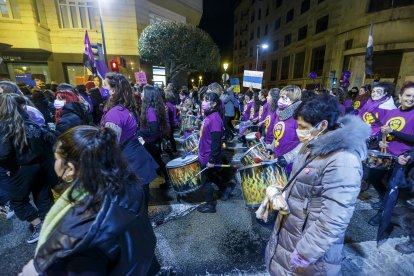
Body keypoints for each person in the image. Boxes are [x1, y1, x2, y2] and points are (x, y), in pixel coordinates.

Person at [19, 126, 157, 275]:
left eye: (56, 158)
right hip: (143, 266)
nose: (54, 162)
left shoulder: (80, 227)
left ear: (70, 169)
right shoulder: (126, 182)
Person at [265, 93, 371, 275]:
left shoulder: (343, 160)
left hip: (308, 248)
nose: (298, 131)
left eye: (302, 126)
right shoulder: (312, 141)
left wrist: (305, 253)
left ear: (322, 125)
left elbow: (334, 219)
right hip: (292, 231)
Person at [0, 93, 56, 243]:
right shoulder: (31, 123)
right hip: (40, 165)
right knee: (42, 196)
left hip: (20, 169)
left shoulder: (6, 126)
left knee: (18, 201)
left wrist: (8, 166)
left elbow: (3, 153)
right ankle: (51, 225)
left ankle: (39, 227)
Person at [101, 73, 159, 205]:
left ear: (114, 90)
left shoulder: (115, 113)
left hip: (129, 163)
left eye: (105, 85)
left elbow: (110, 147)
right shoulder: (124, 108)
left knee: (134, 208)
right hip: (136, 158)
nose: (102, 87)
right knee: (140, 205)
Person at [368, 81, 414, 225]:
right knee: (373, 177)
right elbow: (384, 132)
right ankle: (383, 198)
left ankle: (382, 213)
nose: (411, 99)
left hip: (403, 157)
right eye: (408, 95)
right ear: (400, 97)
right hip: (387, 154)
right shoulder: (392, 112)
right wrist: (382, 140)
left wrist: (393, 132)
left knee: (392, 188)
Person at [197, 92, 235, 213]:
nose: (203, 102)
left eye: (206, 100)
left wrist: (212, 159)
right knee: (212, 175)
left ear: (213, 104)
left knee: (205, 181)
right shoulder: (209, 115)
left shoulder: (215, 119)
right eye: (203, 99)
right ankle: (226, 188)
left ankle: (210, 205)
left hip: (209, 155)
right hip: (205, 153)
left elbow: (216, 142)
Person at [138, 84, 170, 185]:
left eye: (143, 92)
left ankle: (166, 180)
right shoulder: (153, 108)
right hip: (154, 139)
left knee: (157, 161)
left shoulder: (150, 110)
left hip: (151, 140)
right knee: (158, 161)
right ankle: (167, 180)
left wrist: (138, 132)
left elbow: (153, 129)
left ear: (147, 95)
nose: (141, 93)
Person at [268, 85, 302, 174]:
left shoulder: (299, 117)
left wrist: (288, 157)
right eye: (280, 97)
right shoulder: (280, 114)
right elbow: (277, 136)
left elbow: (305, 143)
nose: (280, 99)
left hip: (291, 164)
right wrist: (271, 148)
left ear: (293, 99)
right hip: (278, 159)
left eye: (283, 97)